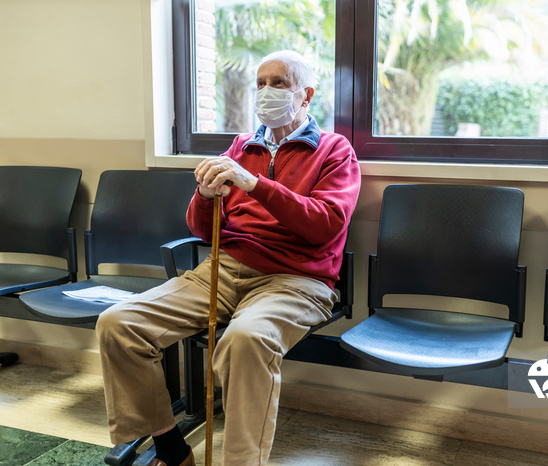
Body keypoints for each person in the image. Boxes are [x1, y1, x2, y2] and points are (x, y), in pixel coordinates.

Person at [96, 50, 361, 466]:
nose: (265, 91)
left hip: (296, 281)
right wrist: (204, 195)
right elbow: (203, 230)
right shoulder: (241, 146)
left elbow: (326, 224)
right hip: (223, 268)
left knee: (245, 340)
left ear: (305, 95)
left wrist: (256, 184)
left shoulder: (334, 150)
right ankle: (171, 449)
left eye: (278, 83)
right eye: (260, 83)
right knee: (119, 323)